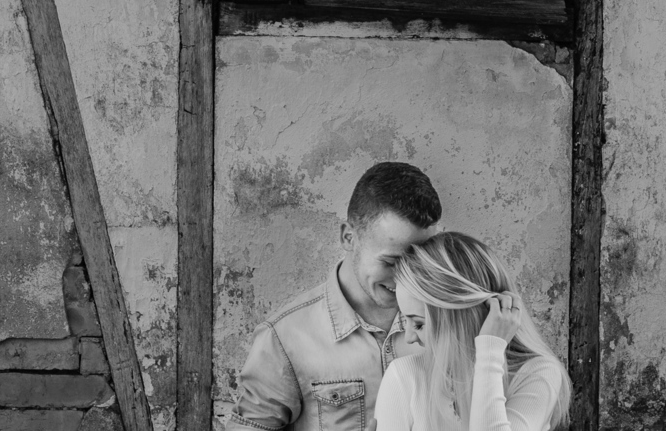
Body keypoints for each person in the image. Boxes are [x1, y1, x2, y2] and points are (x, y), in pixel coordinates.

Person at [226, 162, 443, 431]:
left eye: (419, 263)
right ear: (348, 237)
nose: (405, 279)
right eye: (390, 262)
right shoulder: (285, 339)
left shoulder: (451, 319)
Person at [375, 232, 571, 431]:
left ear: (459, 320)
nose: (408, 338)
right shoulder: (405, 376)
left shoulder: (538, 373)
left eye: (418, 324)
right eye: (404, 320)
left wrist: (490, 350)